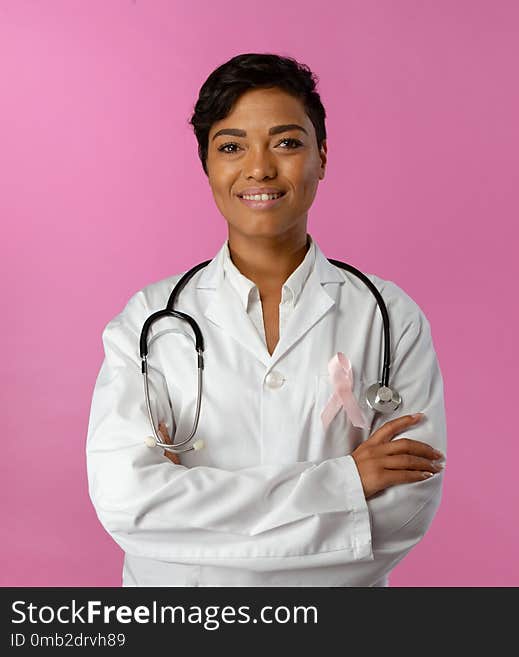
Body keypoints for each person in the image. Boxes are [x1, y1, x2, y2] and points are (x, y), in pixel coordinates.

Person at [85, 53, 447, 586]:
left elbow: (402, 516)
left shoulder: (390, 316)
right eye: (231, 147)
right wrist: (346, 483)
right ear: (207, 165)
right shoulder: (149, 322)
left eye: (286, 142)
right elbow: (126, 503)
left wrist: (194, 521)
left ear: (322, 156)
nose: (259, 168)